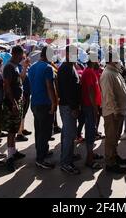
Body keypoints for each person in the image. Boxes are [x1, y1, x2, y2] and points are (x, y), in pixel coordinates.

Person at [28, 46, 58, 169]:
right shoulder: (48, 68)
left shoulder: (33, 67)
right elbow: (50, 87)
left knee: (39, 130)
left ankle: (42, 151)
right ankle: (40, 159)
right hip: (44, 104)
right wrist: (54, 103)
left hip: (34, 102)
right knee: (44, 132)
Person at [100, 48, 126, 174]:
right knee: (111, 138)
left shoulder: (114, 71)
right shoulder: (107, 74)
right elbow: (109, 95)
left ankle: (114, 156)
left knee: (115, 137)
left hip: (118, 112)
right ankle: (110, 163)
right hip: (113, 113)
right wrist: (115, 111)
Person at [57, 45, 81, 175]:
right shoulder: (66, 68)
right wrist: (74, 107)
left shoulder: (70, 66)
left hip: (68, 106)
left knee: (67, 133)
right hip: (68, 106)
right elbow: (68, 91)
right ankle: (66, 163)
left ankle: (67, 156)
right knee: (69, 135)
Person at [2, 45, 27, 172]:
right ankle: (10, 158)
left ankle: (13, 151)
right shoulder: (8, 67)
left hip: (18, 101)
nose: (23, 56)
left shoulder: (16, 66)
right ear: (16, 54)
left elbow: (20, 81)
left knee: (15, 128)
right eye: (22, 54)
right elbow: (7, 87)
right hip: (12, 104)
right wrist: (13, 104)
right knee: (12, 131)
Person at [81, 51, 103, 170]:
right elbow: (90, 91)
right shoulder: (89, 72)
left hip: (91, 106)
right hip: (89, 107)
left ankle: (91, 154)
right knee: (90, 132)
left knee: (91, 131)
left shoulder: (91, 71)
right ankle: (89, 160)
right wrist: (95, 108)